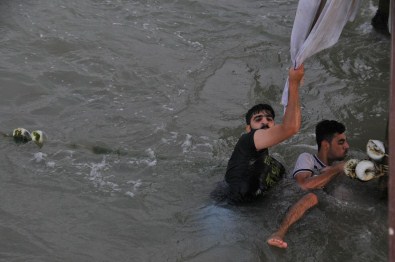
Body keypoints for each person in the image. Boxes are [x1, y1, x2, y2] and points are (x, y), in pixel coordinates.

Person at [210, 65, 305, 204]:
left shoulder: (275, 165)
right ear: (248, 129)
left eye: (269, 119)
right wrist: (294, 83)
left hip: (251, 211)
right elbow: (291, 127)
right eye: (258, 119)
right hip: (224, 209)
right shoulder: (247, 140)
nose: (265, 122)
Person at [267, 120, 349, 248]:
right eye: (341, 142)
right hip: (290, 201)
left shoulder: (341, 167)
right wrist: (336, 169)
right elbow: (303, 185)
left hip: (316, 210)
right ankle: (279, 233)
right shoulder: (307, 158)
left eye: (346, 141)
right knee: (312, 197)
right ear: (326, 145)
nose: (347, 146)